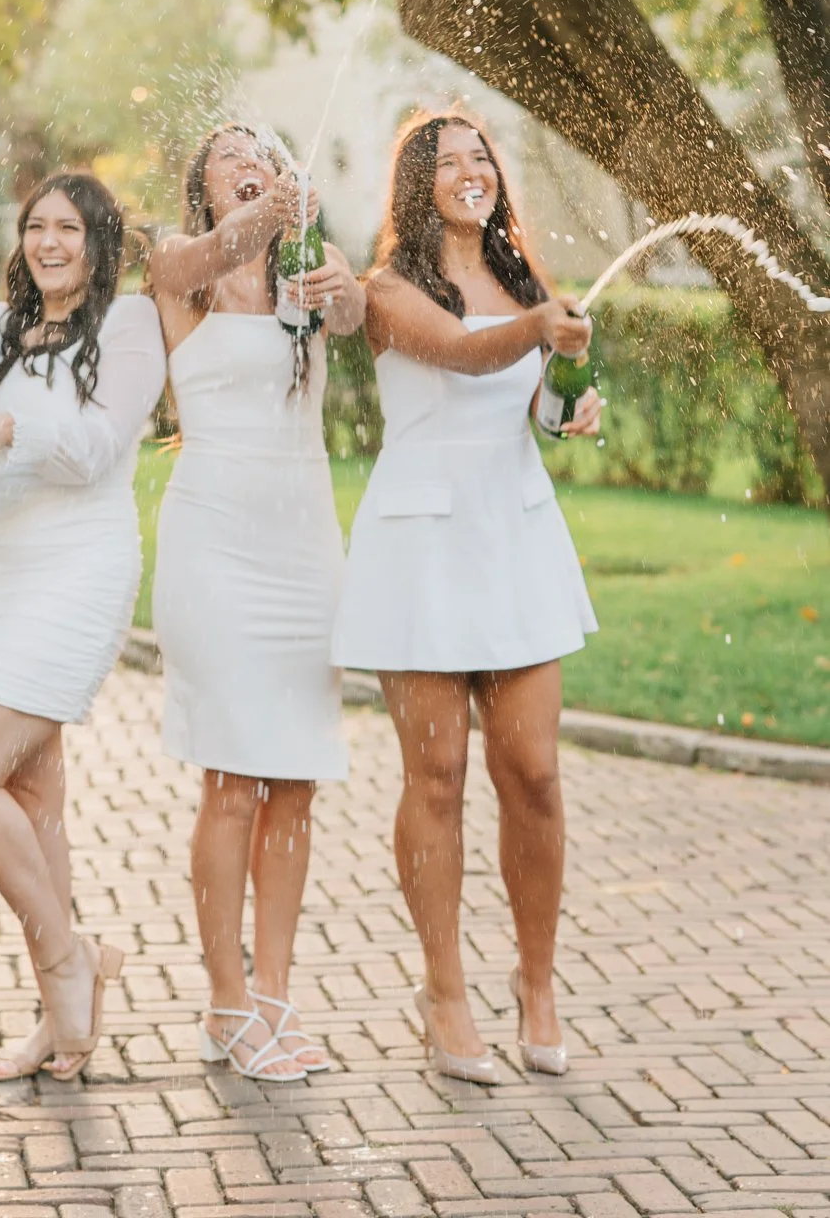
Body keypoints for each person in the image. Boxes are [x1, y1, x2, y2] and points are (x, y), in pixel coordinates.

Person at [332, 109, 600, 1084]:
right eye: (445, 160)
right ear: (416, 183)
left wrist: (568, 390)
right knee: (435, 779)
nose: (468, 169)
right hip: (423, 543)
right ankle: (444, 993)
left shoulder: (525, 278)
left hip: (516, 532)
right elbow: (455, 350)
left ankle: (538, 983)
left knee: (532, 770)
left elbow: (533, 397)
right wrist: (536, 330)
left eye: (479, 153)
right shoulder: (387, 289)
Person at [0, 172, 165, 1081]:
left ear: (99, 242)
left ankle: (67, 960)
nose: (50, 242)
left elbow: (93, 449)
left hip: (77, 569)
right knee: (33, 796)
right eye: (36, 226)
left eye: (70, 227)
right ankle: (62, 1019)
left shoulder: (129, 326)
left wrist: (8, 427)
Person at [147, 126, 365, 1082]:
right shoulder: (181, 265)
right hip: (215, 544)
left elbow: (354, 316)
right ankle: (226, 1000)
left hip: (304, 541)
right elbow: (210, 251)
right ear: (204, 184)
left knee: (296, 777)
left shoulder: (306, 261)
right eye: (226, 154)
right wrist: (258, 219)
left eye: (262, 152)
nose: (247, 161)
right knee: (231, 778)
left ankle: (276, 995)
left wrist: (345, 293)